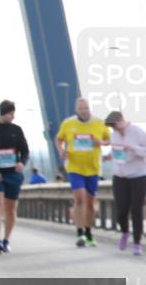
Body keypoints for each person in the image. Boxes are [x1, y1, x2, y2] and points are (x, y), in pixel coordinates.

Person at [56, 98, 111, 248]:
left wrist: (101, 143)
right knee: (79, 198)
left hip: (93, 168)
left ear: (89, 108)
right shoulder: (68, 123)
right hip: (74, 167)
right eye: (81, 108)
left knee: (91, 204)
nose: (84, 111)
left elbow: (109, 139)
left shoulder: (99, 123)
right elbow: (58, 139)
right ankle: (80, 233)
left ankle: (88, 232)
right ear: (76, 110)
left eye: (86, 108)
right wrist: (61, 151)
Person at [0, 100, 30, 254]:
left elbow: (25, 151)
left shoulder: (16, 130)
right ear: (4, 113)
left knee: (10, 209)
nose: (13, 116)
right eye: (11, 114)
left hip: (13, 174)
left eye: (13, 113)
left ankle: (6, 240)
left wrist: (21, 163)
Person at [105, 111, 146, 256]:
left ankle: (136, 243)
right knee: (121, 209)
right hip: (119, 176)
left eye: (116, 126)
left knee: (136, 209)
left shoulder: (138, 132)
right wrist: (109, 156)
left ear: (122, 121)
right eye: (112, 128)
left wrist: (134, 149)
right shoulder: (114, 134)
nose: (115, 130)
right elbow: (116, 151)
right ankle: (125, 232)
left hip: (138, 176)